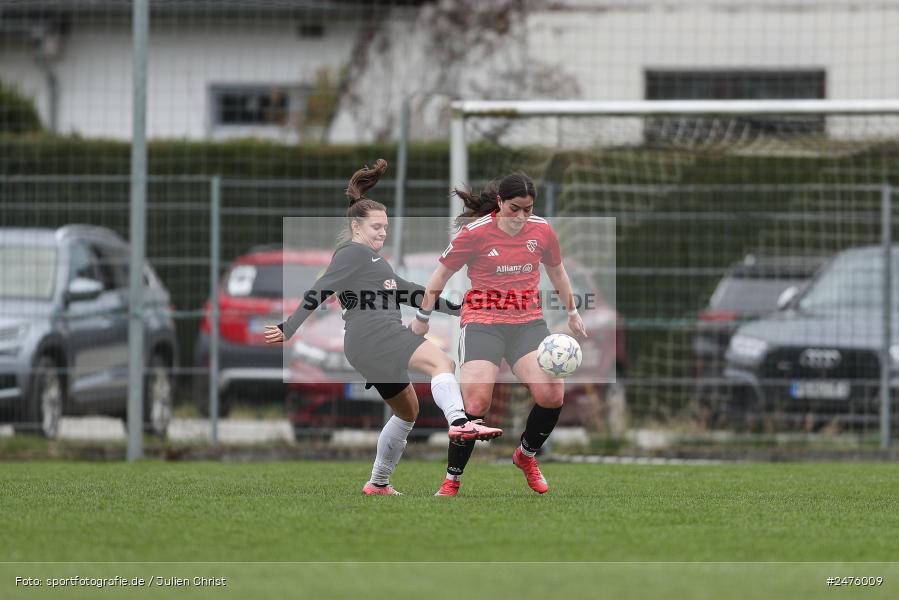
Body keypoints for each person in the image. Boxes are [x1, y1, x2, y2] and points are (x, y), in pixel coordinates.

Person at [264, 159, 501, 496]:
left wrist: (458, 307)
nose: (382, 232)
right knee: (443, 363)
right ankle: (460, 423)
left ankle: (378, 483)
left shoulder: (372, 259)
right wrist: (289, 327)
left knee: (408, 411)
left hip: (367, 344)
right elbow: (320, 290)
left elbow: (409, 291)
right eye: (376, 227)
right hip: (375, 335)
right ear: (356, 227)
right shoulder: (352, 254)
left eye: (386, 227)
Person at [410, 171, 586, 496]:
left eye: (528, 209)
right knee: (476, 401)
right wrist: (422, 317)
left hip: (528, 324)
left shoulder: (543, 231)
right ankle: (452, 480)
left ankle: (526, 456)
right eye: (514, 208)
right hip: (483, 323)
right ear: (500, 203)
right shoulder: (474, 234)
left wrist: (573, 312)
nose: (521, 216)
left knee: (552, 395)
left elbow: (557, 271)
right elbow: (441, 274)